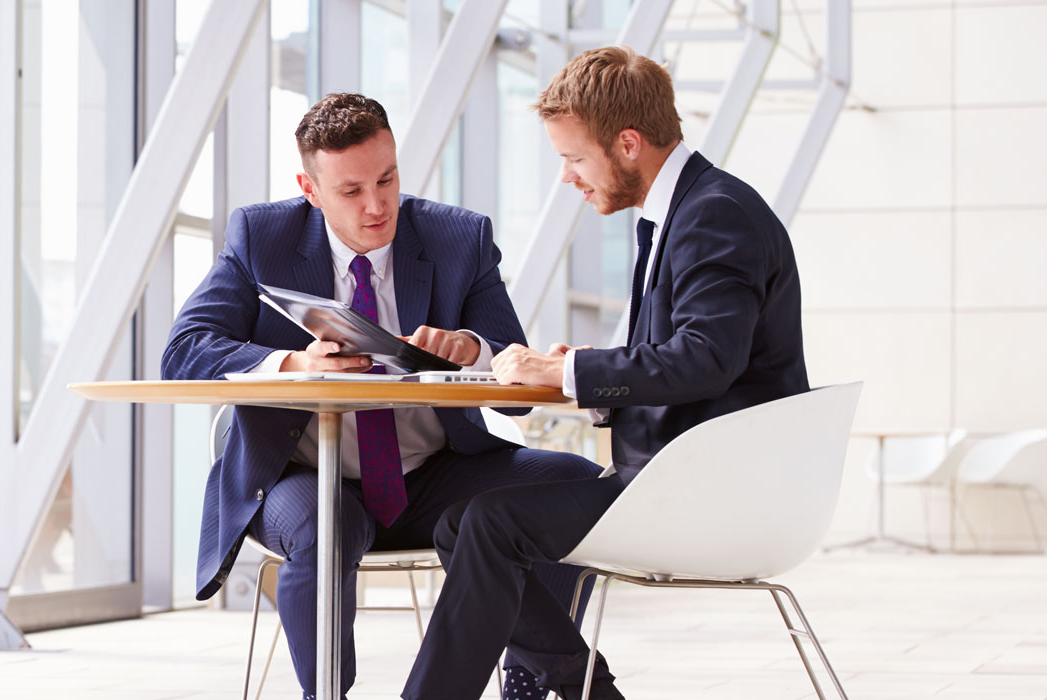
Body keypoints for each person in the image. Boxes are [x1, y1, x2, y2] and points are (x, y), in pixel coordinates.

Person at [400, 46, 811, 699]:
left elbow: (706, 359)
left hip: (712, 494)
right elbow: (684, 357)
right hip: (681, 480)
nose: (566, 178)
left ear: (627, 143)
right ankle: (588, 689)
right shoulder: (685, 212)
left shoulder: (714, 215)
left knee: (488, 524)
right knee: (464, 522)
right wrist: (568, 371)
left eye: (572, 159)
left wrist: (574, 374)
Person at [163, 92, 603, 700]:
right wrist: (294, 361)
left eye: (387, 179)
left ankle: (530, 681)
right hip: (304, 478)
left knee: (575, 485)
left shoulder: (458, 238)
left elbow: (517, 380)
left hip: (429, 478)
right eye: (351, 191)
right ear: (310, 189)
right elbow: (185, 349)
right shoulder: (261, 235)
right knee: (326, 525)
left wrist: (472, 349)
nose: (377, 205)